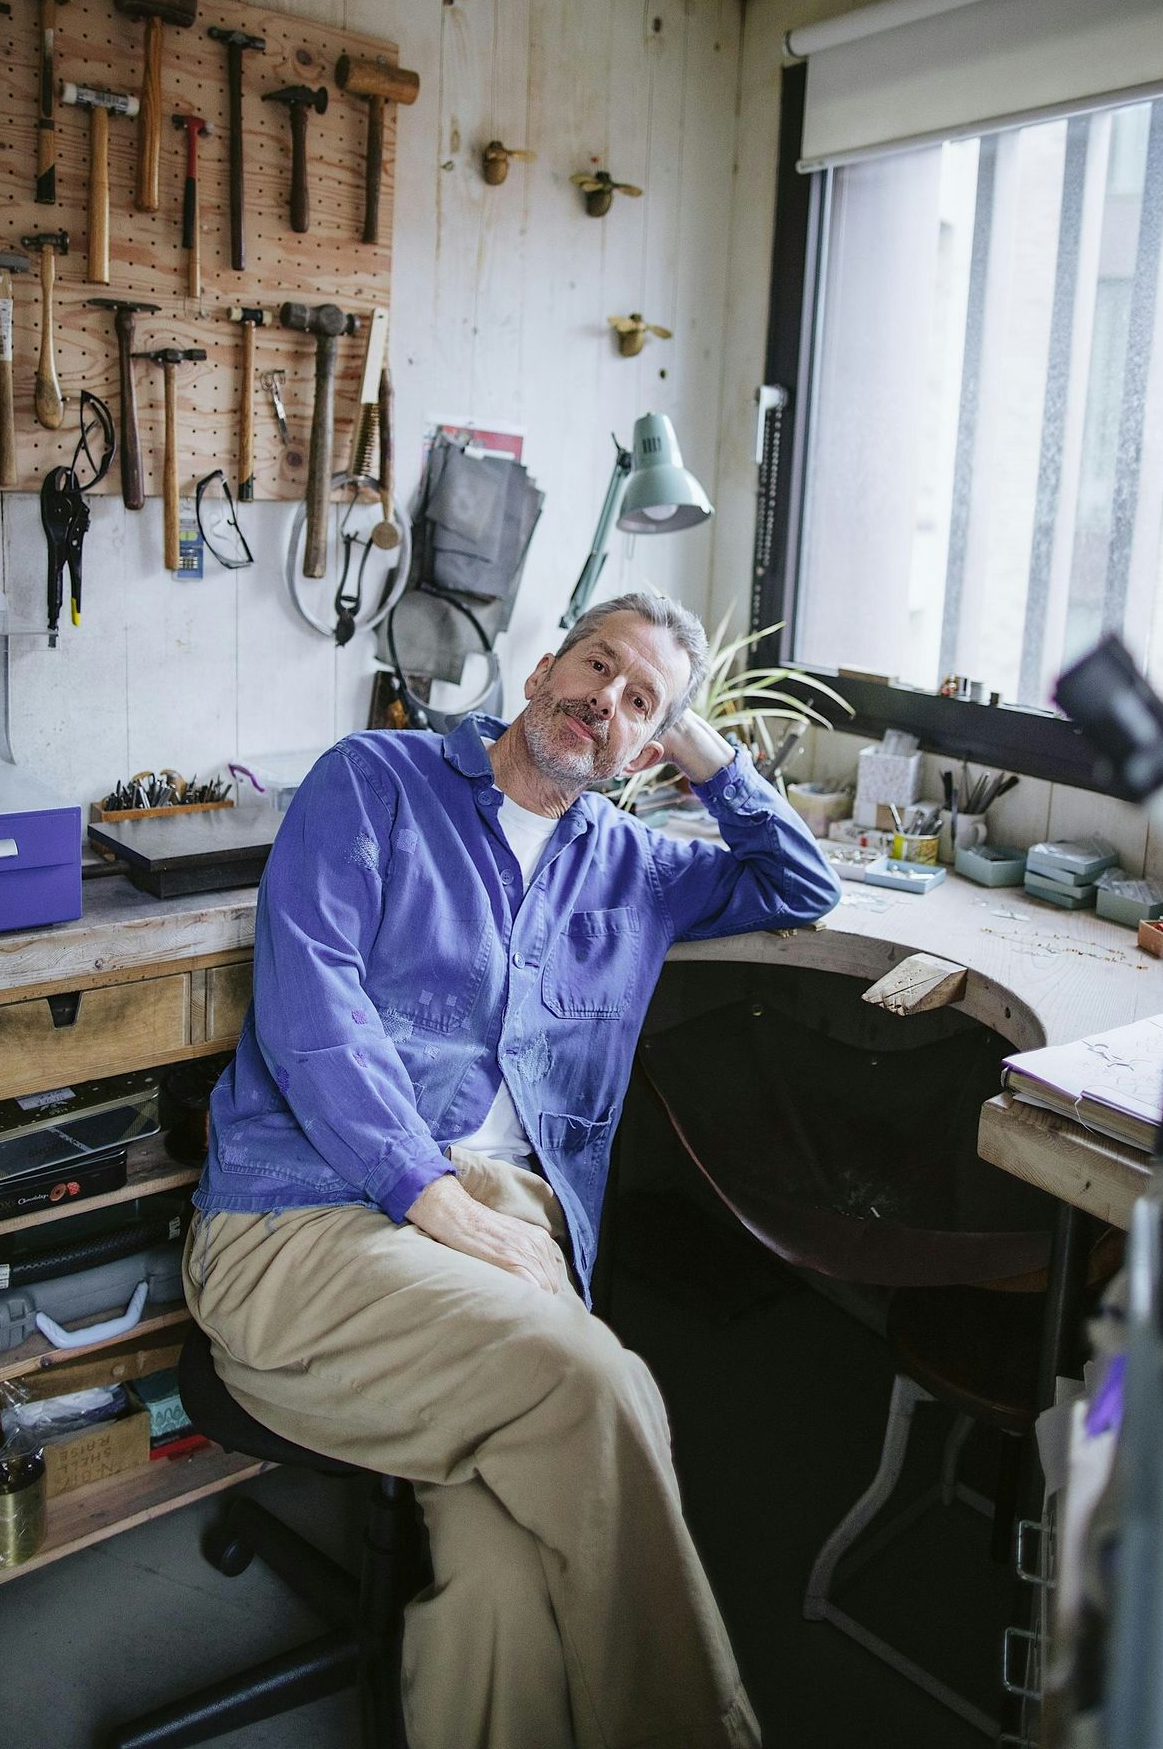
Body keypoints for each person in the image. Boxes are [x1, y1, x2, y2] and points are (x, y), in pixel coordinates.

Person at [185, 592, 841, 1749]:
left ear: (651, 750)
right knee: (598, 1388)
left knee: (509, 1568)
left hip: (502, 1229)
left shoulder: (634, 867)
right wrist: (429, 1195)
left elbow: (802, 884)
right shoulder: (374, 780)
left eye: (640, 700)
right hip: (305, 1214)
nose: (606, 700)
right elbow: (312, 1010)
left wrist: (693, 738)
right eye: (598, 666)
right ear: (543, 670)